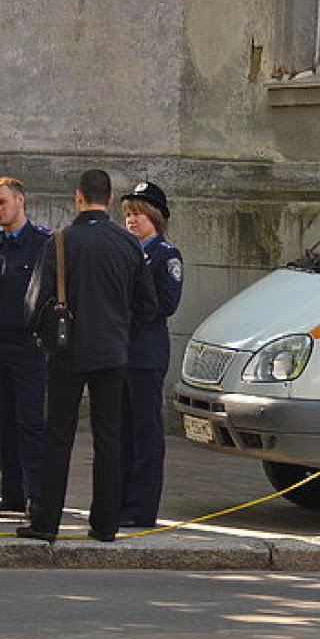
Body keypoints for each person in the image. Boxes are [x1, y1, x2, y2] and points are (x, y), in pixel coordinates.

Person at [18, 169, 157, 543]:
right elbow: (148, 304)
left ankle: (47, 522)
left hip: (67, 352)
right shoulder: (128, 245)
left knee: (58, 436)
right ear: (110, 200)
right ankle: (106, 524)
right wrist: (123, 333)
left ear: (78, 197)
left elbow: (32, 303)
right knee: (109, 437)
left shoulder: (60, 242)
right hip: (112, 352)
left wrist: (37, 335)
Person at [0, 176, 52, 515]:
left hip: (29, 348)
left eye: (2, 202)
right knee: (2, 425)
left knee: (30, 424)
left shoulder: (44, 244)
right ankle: (12, 493)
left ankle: (37, 497)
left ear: (21, 200)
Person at [118, 181, 183, 528]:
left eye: (138, 214)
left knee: (145, 433)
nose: (132, 220)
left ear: (155, 217)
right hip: (122, 353)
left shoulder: (165, 255)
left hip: (145, 354)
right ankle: (123, 500)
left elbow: (166, 304)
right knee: (123, 431)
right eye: (128, 214)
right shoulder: (127, 251)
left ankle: (142, 508)